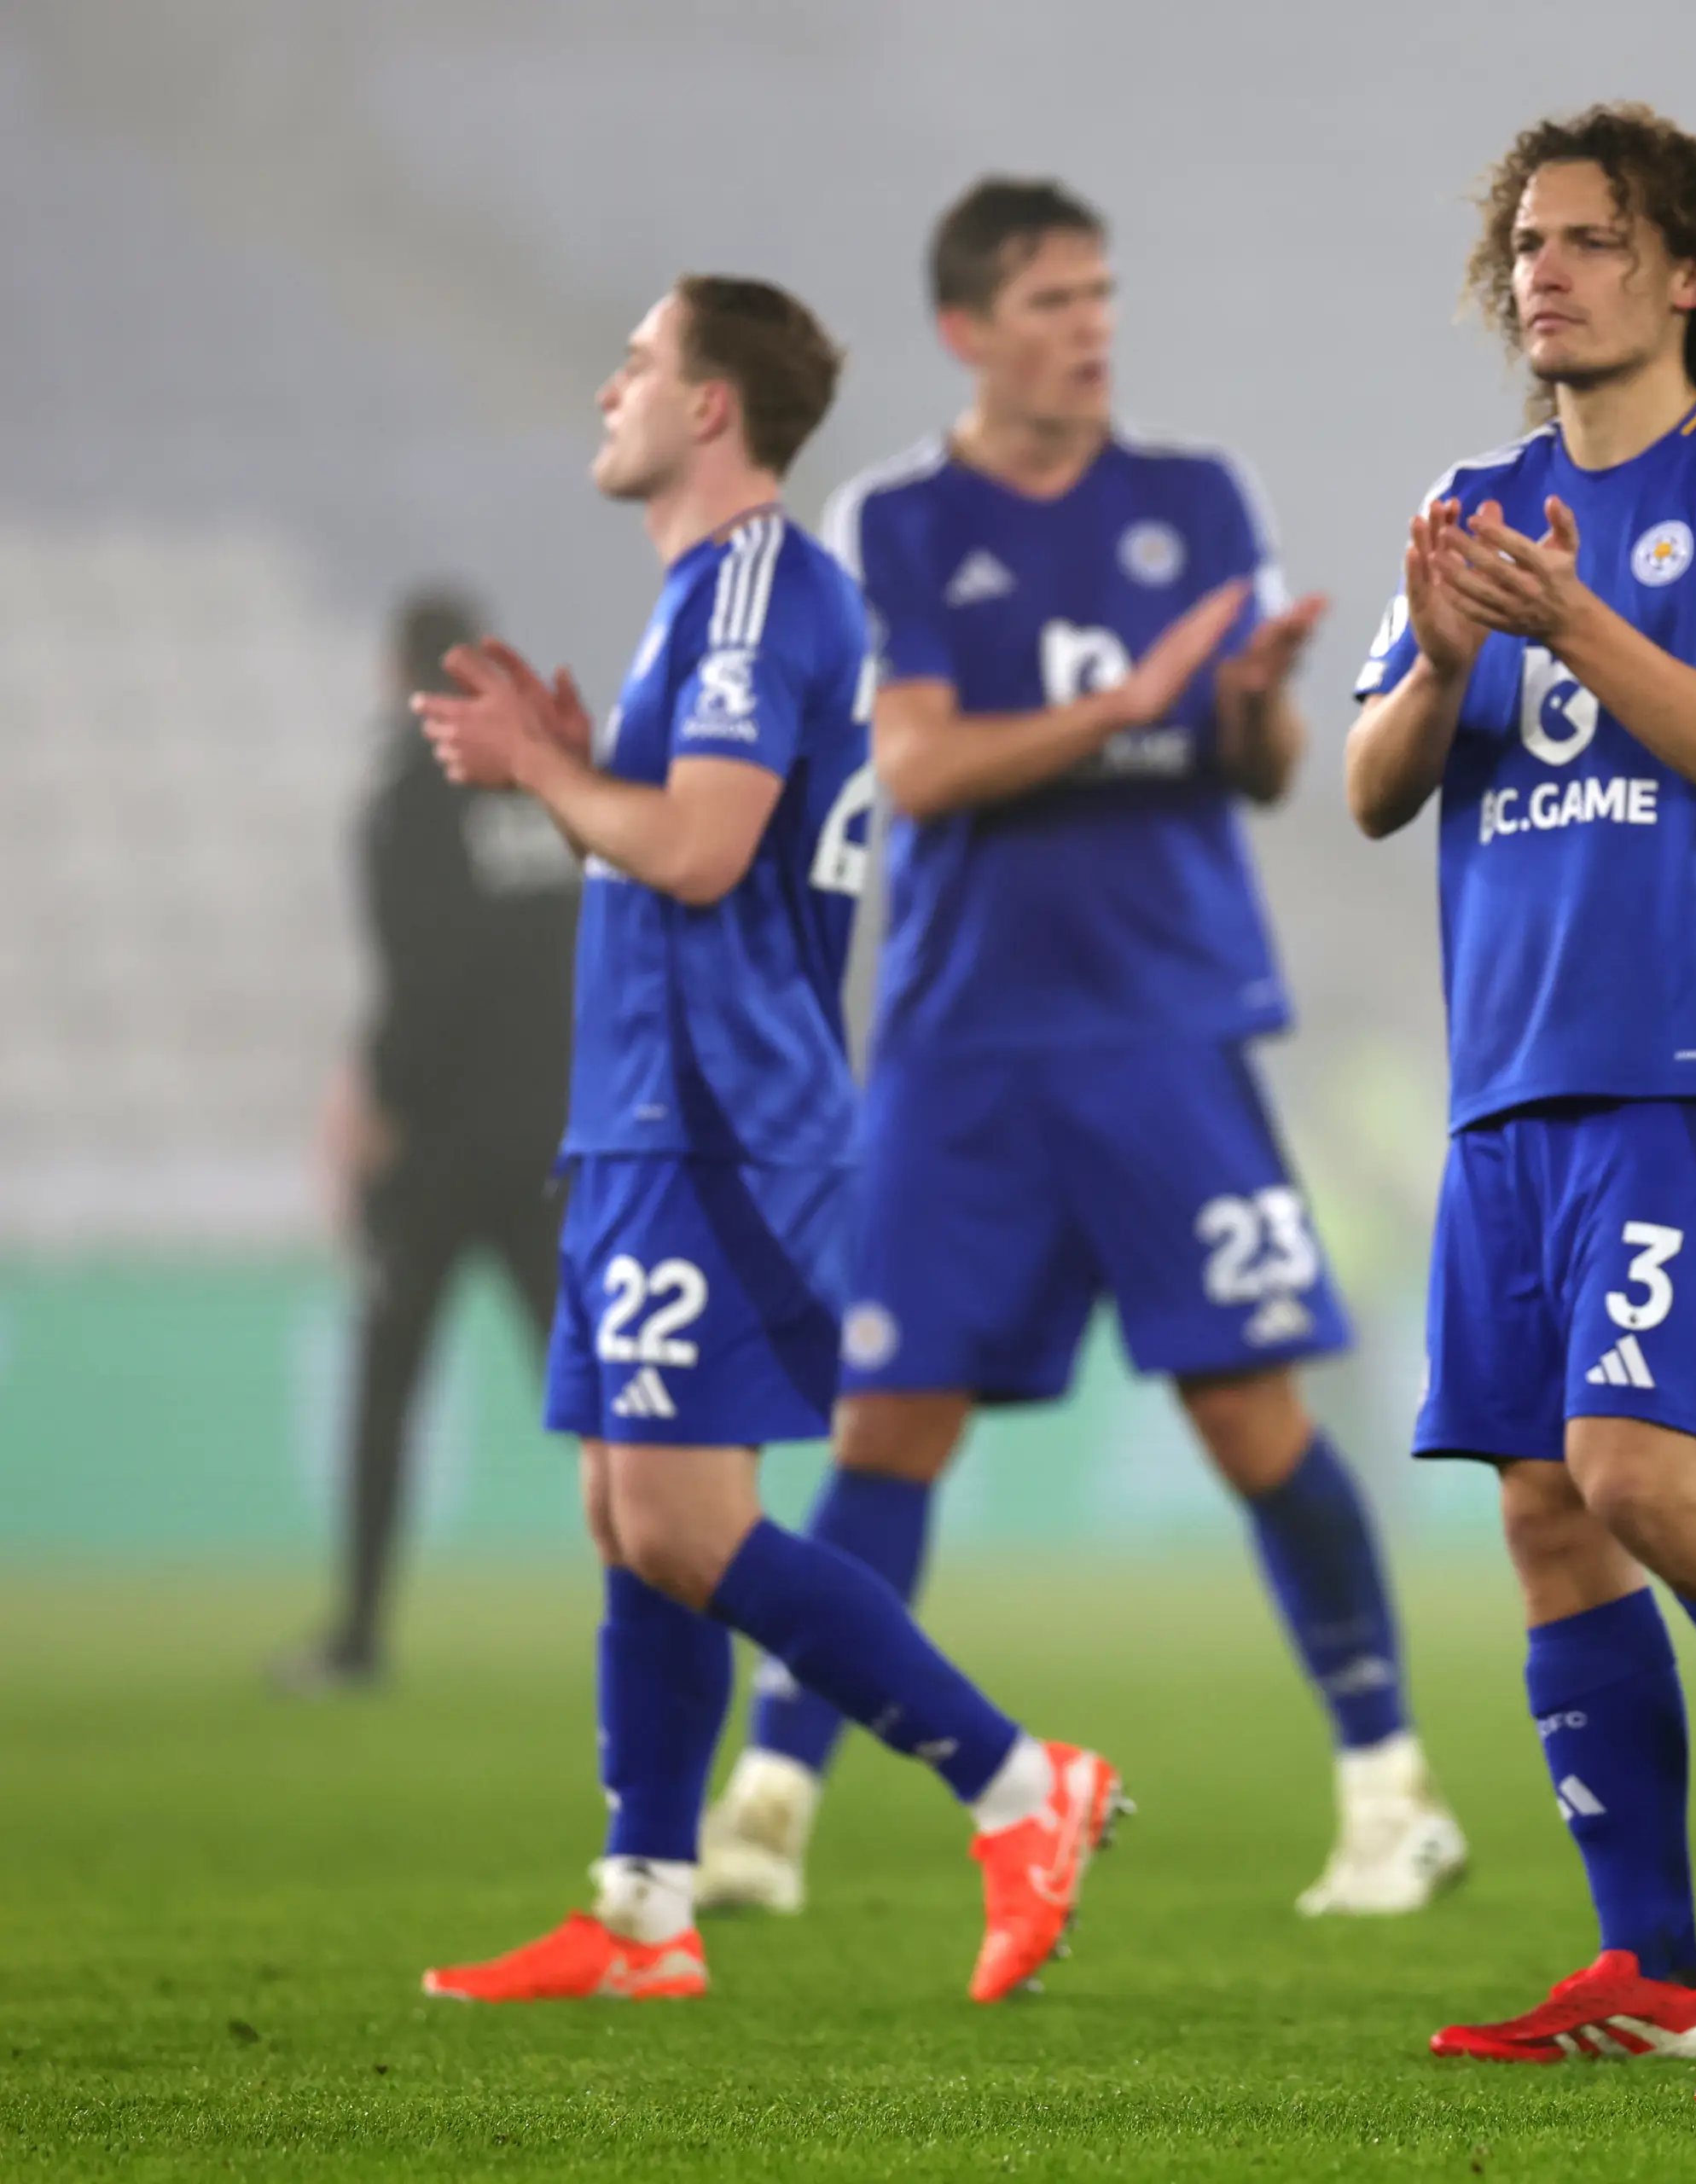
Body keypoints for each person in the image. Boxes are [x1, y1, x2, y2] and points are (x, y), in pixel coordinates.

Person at [692, 177, 1462, 1923]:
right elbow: (923, 769)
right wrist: (1127, 706)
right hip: (964, 1043)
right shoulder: (899, 521)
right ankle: (770, 1801)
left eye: (1102, 293)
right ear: (969, 329)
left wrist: (1256, 695)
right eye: (1051, 300)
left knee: (1251, 1413)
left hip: (1167, 1023)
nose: (1089, 326)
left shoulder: (1193, 500)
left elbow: (1260, 769)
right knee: (889, 1425)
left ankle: (1388, 1784)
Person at [412, 274, 1116, 2006]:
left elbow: (707, 849)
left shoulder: (750, 591)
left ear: (711, 406)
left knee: (675, 1519)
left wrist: (544, 776)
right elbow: (695, 831)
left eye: (640, 363)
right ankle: (645, 1905)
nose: (610, 386)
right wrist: (588, 774)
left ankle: (1023, 1784)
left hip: (720, 1122)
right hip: (656, 1112)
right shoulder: (708, 604)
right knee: (622, 1503)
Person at [1346, 105, 1696, 2065]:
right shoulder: (1470, 496)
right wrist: (1435, 659)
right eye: (1524, 242)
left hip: (1682, 1059)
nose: (1545, 271)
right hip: (1505, 1079)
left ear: (1685, 274)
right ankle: (1655, 1971)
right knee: (1542, 1509)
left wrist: (1566, 618)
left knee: (1633, 1470)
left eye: (1587, 239)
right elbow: (1364, 788)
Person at [276, 587, 576, 1694]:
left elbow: (422, 975)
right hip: (556, 1141)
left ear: (401, 673)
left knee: (389, 1379)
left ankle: (357, 1638)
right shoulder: (542, 788)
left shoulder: (408, 796)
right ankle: (683, 1604)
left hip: (445, 1147)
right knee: (595, 1392)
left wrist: (379, 1106)